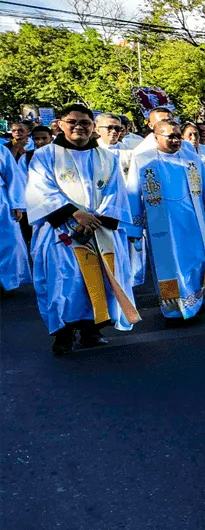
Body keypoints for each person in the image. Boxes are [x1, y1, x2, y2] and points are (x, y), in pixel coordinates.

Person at [26, 104, 138, 355]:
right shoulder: (45, 155)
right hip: (62, 230)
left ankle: (91, 330)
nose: (79, 127)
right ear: (61, 124)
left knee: (98, 281)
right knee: (64, 282)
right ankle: (63, 334)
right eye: (72, 122)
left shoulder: (107, 158)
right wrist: (76, 215)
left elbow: (116, 192)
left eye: (85, 122)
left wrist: (95, 220)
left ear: (92, 126)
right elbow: (40, 190)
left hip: (99, 230)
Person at [127, 121, 205, 322]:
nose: (175, 140)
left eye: (178, 135)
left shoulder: (192, 160)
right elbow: (133, 194)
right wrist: (134, 230)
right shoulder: (143, 161)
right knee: (167, 268)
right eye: (170, 136)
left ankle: (194, 303)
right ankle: (172, 310)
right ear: (156, 137)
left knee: (198, 262)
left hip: (193, 222)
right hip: (161, 226)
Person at [0, 140, 31, 297]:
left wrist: (17, 204)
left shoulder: (1, 150)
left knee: (9, 243)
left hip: (1, 203)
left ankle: (6, 282)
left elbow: (13, 176)